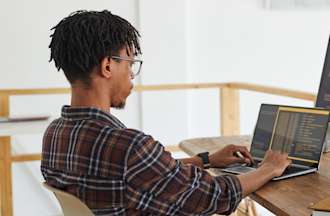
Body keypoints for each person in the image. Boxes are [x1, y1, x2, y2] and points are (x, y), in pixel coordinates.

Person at [41, 10, 291, 215]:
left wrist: (207, 160)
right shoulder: (129, 147)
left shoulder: (55, 134)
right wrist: (269, 168)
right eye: (130, 64)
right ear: (108, 66)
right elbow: (212, 197)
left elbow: (138, 175)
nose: (131, 75)